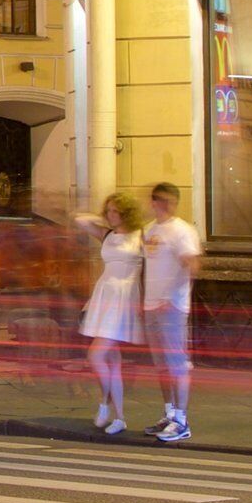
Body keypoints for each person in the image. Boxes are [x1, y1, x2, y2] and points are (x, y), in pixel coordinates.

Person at [138, 182, 202, 443]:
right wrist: (144, 300)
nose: (165, 205)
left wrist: (173, 297)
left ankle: (181, 420)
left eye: (170, 201)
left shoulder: (182, 231)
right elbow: (146, 267)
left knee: (177, 366)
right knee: (162, 366)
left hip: (172, 308)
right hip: (152, 306)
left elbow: (193, 265)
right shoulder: (149, 230)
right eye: (160, 200)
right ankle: (168, 413)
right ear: (153, 202)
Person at [78, 193, 144, 435]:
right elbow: (81, 221)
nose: (110, 215)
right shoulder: (108, 234)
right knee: (112, 362)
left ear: (126, 213)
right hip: (104, 295)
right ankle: (119, 417)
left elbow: (151, 266)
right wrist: (105, 218)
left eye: (116, 211)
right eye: (108, 211)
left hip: (123, 299)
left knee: (95, 356)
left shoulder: (140, 236)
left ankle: (104, 405)